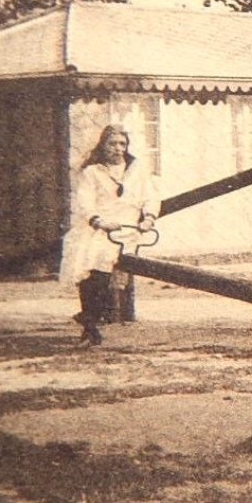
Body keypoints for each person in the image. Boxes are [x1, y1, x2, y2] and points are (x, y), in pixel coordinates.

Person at [58, 125, 159, 347]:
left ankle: (89, 319)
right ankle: (90, 322)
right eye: (112, 144)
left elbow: (151, 197)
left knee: (105, 259)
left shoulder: (136, 171)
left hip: (128, 229)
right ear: (103, 146)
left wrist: (149, 219)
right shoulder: (92, 172)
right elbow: (85, 201)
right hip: (100, 226)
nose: (117, 149)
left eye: (122, 144)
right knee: (88, 259)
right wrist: (99, 221)